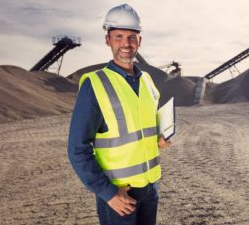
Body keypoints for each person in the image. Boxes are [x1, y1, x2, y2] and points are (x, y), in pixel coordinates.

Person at [67, 3, 171, 225]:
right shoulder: (95, 84)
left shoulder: (148, 82)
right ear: (108, 40)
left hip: (150, 190)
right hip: (119, 196)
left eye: (132, 37)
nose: (126, 44)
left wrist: (159, 139)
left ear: (139, 41)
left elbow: (142, 129)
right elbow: (78, 148)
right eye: (119, 36)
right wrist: (108, 194)